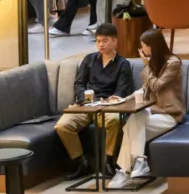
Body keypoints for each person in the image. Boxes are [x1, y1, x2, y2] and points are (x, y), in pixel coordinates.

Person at [56, 23, 134, 180]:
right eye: (98, 41)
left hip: (108, 107)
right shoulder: (89, 60)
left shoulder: (123, 64)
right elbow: (79, 83)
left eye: (105, 41)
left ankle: (108, 161)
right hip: (86, 105)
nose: (101, 45)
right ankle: (81, 162)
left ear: (115, 41)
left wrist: (111, 99)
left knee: (114, 120)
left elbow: (122, 90)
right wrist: (82, 98)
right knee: (62, 126)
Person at [108, 28, 183, 188]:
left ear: (152, 46)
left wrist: (146, 66)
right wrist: (123, 99)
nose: (141, 49)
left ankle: (124, 172)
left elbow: (156, 85)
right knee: (133, 123)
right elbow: (144, 89)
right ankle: (139, 162)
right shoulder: (153, 62)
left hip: (169, 114)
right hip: (152, 112)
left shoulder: (173, 63)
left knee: (131, 126)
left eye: (143, 46)